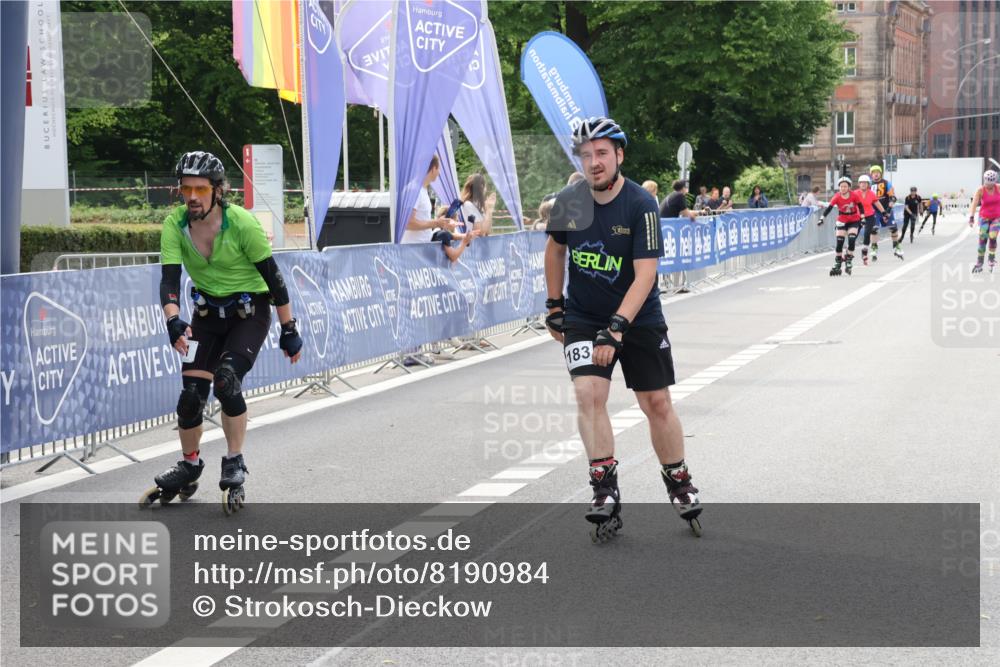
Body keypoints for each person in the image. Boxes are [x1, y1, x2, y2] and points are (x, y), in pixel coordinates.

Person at [544, 116, 703, 541]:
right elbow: (555, 250)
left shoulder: (640, 204)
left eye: (601, 153)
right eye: (586, 154)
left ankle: (678, 479)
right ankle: (604, 487)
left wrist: (616, 329)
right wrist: (555, 304)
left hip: (637, 315)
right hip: (585, 315)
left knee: (656, 402)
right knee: (588, 392)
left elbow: (645, 275)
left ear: (619, 155)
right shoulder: (570, 200)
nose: (593, 162)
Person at [146, 151, 303, 513]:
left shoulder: (243, 224)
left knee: (227, 381)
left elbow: (275, 282)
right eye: (186, 189)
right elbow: (169, 280)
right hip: (205, 316)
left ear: (218, 191)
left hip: (249, 313)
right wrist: (173, 319)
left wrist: (288, 329)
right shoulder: (175, 225)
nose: (192, 197)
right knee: (190, 398)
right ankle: (189, 464)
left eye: (200, 188)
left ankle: (234, 459)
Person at [401, 155, 457, 244]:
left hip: (420, 248)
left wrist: (440, 222)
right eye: (439, 169)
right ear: (433, 169)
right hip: (413, 250)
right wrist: (436, 223)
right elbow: (408, 223)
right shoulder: (413, 190)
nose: (439, 173)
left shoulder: (421, 190)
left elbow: (421, 220)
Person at [819, 176, 866, 276]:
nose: (843, 188)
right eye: (841, 186)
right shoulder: (837, 196)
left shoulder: (854, 195)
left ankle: (849, 260)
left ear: (849, 187)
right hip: (842, 220)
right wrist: (822, 218)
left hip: (853, 219)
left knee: (852, 239)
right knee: (839, 242)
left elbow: (860, 206)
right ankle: (838, 262)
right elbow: (829, 208)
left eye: (845, 186)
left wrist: (862, 218)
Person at [870, 164, 904, 260]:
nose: (876, 175)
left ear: (880, 174)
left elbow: (893, 197)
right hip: (874, 211)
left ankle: (896, 246)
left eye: (877, 173)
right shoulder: (869, 185)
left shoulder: (886, 183)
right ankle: (874, 247)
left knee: (893, 228)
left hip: (886, 209)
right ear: (871, 175)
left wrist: (888, 211)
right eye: (873, 173)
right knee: (874, 229)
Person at [969, 169, 1000, 273]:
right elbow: (974, 203)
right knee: (983, 238)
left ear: (994, 182)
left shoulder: (998, 188)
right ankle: (980, 261)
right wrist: (971, 217)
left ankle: (991, 258)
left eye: (990, 184)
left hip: (996, 217)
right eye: (987, 183)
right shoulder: (980, 190)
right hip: (984, 217)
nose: (988, 186)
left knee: (992, 236)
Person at [855, 174, 888, 266]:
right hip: (857, 216)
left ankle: (864, 251)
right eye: (861, 183)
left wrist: (884, 213)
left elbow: (877, 203)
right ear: (859, 184)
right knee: (854, 234)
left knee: (867, 234)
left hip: (869, 216)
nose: (863, 185)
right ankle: (849, 250)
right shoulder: (855, 193)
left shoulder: (871, 193)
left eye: (865, 183)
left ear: (868, 184)